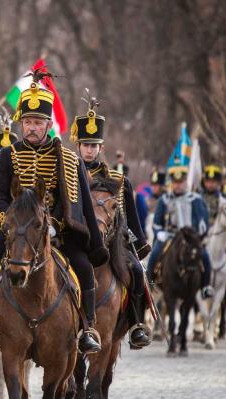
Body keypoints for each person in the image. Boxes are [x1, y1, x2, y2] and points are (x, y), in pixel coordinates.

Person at [0, 69, 110, 355]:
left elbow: (72, 198)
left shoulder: (67, 157)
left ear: (48, 124)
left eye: (37, 122)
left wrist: (55, 223)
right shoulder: (10, 154)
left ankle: (87, 328)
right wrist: (7, 222)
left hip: (55, 230)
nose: (32, 127)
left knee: (84, 269)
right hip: (16, 231)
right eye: (27, 122)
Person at [71, 94, 152, 348]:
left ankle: (137, 324)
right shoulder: (70, 175)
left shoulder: (118, 180)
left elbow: (131, 216)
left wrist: (138, 243)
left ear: (101, 148)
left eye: (94, 146)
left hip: (111, 241)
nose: (90, 150)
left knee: (137, 272)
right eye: (86, 145)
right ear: (78, 146)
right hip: (77, 238)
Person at [146, 166, 214, 300]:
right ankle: (149, 282)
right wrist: (159, 232)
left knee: (205, 256)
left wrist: (199, 231)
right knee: (155, 253)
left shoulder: (196, 200)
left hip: (190, 238)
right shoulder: (164, 200)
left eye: (181, 182)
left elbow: (203, 221)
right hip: (170, 236)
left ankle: (206, 286)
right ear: (172, 183)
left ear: (185, 183)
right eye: (175, 182)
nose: (178, 185)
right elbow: (156, 223)